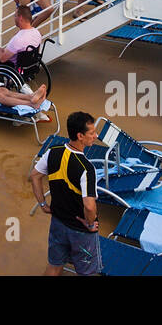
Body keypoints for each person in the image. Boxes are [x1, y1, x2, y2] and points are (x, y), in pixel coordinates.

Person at [31, 110, 102, 275]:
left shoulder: (52, 152)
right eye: (92, 133)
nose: (96, 136)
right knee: (87, 272)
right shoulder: (87, 168)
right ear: (80, 136)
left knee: (55, 265)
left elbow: (35, 176)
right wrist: (90, 224)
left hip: (58, 222)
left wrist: (43, 204)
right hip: (80, 230)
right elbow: (89, 207)